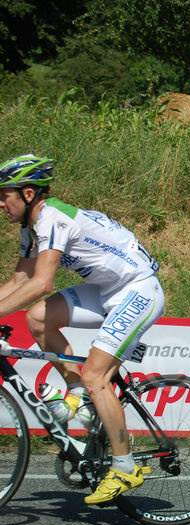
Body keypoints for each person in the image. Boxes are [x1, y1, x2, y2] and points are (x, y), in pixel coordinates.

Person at [0, 154, 164, 504]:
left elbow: (42, 282)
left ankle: (124, 466)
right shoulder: (30, 229)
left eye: (4, 196)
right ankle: (79, 395)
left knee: (96, 375)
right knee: (38, 318)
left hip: (137, 289)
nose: (1, 204)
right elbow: (19, 280)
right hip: (105, 289)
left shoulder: (52, 218)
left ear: (28, 193)